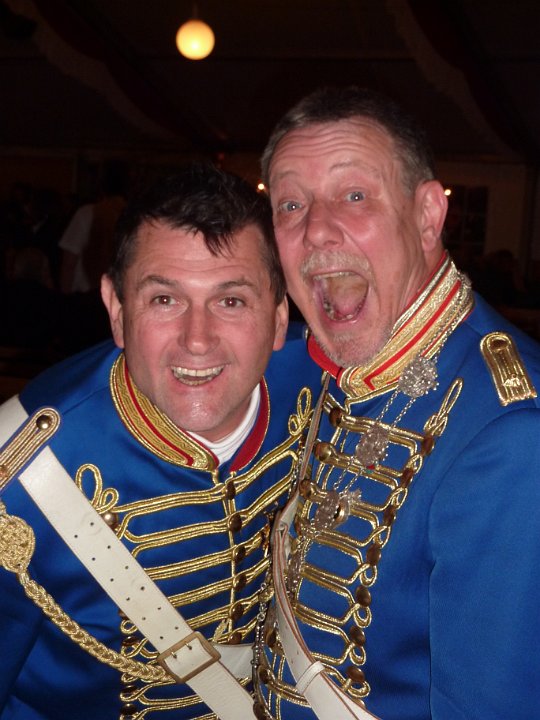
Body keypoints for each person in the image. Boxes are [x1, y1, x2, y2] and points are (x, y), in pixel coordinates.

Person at [251, 86, 540, 720]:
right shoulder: (325, 362)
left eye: (354, 196)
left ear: (428, 216)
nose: (315, 229)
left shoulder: (512, 435)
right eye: (291, 204)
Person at [0, 163, 321, 719]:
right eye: (164, 300)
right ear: (116, 309)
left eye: (231, 300)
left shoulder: (327, 380)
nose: (197, 340)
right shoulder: (22, 479)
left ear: (278, 316)